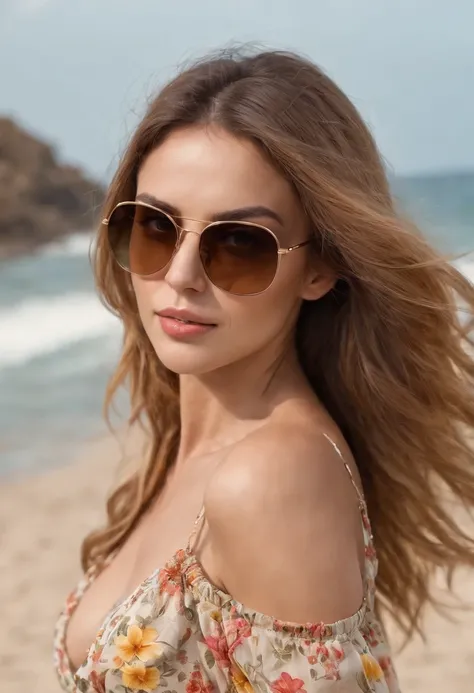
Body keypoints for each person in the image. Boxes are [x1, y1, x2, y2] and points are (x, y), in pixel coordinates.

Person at [53, 48, 474, 693]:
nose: (181, 275)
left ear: (320, 268)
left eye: (239, 244)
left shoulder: (271, 479)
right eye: (155, 228)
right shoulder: (186, 449)